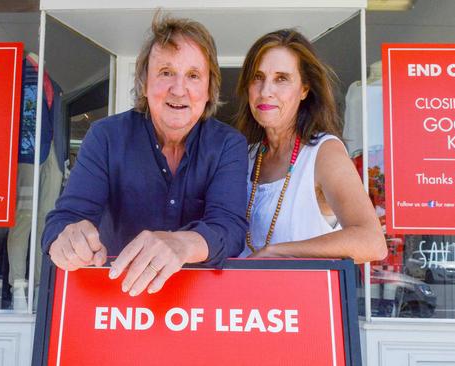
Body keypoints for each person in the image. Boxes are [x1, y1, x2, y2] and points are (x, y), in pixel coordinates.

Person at [41, 14, 248, 296]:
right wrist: (66, 240)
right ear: (144, 82)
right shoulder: (105, 137)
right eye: (166, 72)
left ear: (209, 89)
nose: (179, 89)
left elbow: (229, 229)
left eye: (193, 76)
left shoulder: (228, 144)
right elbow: (63, 220)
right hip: (118, 302)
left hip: (202, 306)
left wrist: (181, 244)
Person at [235, 29, 387, 263]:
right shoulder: (244, 156)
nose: (266, 91)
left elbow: (372, 242)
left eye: (281, 79)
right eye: (258, 77)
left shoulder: (323, 153)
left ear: (304, 89)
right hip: (241, 299)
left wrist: (277, 251)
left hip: (300, 299)